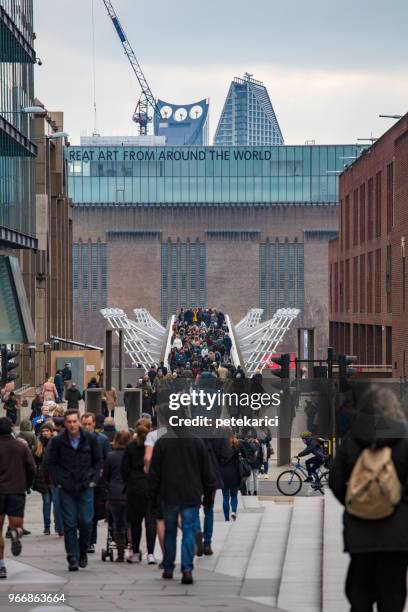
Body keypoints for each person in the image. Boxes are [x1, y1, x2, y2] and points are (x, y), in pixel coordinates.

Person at [329, 386, 408, 612]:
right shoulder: (404, 438)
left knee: (360, 588)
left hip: (359, 527)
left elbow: (335, 478)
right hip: (397, 532)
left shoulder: (353, 438)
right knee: (393, 592)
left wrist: (352, 500)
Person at [148, 414, 216, 585]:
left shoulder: (162, 442)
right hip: (191, 495)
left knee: (170, 531)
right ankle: (187, 569)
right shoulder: (197, 442)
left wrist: (153, 497)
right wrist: (208, 497)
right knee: (188, 532)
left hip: (168, 494)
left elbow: (154, 473)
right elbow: (207, 473)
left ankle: (169, 566)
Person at [45, 410, 102, 571]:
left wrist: (93, 480)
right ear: (65, 423)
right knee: (69, 524)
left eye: (74, 421)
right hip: (66, 488)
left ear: (79, 422)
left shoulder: (89, 439)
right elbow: (50, 463)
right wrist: (58, 482)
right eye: (69, 422)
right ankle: (72, 556)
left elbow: (98, 461)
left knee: (86, 521)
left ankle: (82, 550)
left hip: (85, 486)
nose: (72, 424)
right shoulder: (58, 441)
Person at [0, 417, 36, 579]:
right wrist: (26, 485)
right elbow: (31, 468)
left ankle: (1, 566)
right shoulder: (21, 447)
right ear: (11, 429)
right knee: (17, 526)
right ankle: (16, 533)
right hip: (16, 491)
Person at [121, 419, 157, 564]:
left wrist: (129, 481)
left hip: (134, 487)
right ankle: (151, 554)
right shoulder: (154, 445)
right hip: (150, 486)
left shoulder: (130, 446)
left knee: (135, 522)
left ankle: (135, 552)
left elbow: (124, 469)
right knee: (150, 522)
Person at [80, 412, 110, 553]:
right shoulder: (75, 439)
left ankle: (90, 541)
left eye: (89, 424)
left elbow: (106, 459)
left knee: (91, 514)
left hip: (96, 481)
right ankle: (84, 539)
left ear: (94, 424)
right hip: (79, 481)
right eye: (84, 424)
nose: (87, 427)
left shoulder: (102, 440)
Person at [103, 430, 131, 562]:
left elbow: (106, 476)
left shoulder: (111, 456)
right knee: (129, 522)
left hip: (115, 493)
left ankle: (120, 554)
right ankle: (131, 548)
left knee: (117, 523)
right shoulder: (132, 455)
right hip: (130, 493)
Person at [32, 423, 55, 535]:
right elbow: (34, 459)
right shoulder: (39, 444)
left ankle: (58, 524)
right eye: (43, 431)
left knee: (56, 503)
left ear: (51, 431)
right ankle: (47, 526)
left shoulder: (55, 442)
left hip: (55, 477)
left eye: (47, 431)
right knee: (46, 502)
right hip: (43, 478)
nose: (45, 433)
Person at [219, 428, 243, 521]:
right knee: (234, 495)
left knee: (225, 497)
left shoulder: (220, 444)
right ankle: (233, 511)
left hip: (223, 474)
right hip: (234, 473)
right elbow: (243, 455)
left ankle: (226, 518)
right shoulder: (236, 443)